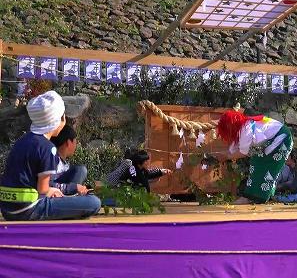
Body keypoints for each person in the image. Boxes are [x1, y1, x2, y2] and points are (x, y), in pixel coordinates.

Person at [0, 91, 101, 221]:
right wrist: (53, 191)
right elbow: (43, 189)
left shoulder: (23, 140)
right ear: (59, 120)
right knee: (93, 203)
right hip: (29, 208)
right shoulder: (48, 148)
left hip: (8, 209)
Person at [216, 110, 293, 204]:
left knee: (266, 166)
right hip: (271, 141)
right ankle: (255, 197)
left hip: (281, 139)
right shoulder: (241, 129)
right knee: (256, 164)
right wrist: (221, 155)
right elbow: (233, 149)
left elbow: (242, 153)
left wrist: (225, 156)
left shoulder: (245, 129)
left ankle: (255, 198)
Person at [106, 148, 172, 193]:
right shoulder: (132, 170)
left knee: (156, 178)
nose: (148, 163)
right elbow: (140, 183)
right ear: (140, 162)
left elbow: (149, 173)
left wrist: (161, 171)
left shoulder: (141, 169)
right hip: (121, 192)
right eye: (146, 161)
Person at [49, 125, 89, 195]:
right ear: (68, 142)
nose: (76, 145)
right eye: (75, 142)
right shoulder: (53, 159)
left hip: (60, 193)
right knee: (80, 170)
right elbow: (49, 185)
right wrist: (74, 188)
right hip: (54, 197)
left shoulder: (63, 163)